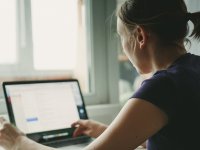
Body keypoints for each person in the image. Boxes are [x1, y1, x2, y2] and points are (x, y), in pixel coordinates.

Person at [1, 0, 200, 149]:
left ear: (140, 36)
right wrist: (103, 132)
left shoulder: (163, 86)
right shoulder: (192, 69)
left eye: (121, 38)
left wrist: (18, 141)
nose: (122, 49)